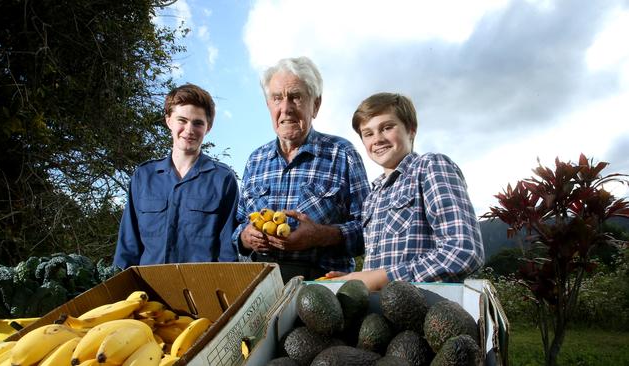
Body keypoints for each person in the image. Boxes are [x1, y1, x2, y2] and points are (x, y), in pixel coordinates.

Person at [326, 92, 484, 290]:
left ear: (411, 129)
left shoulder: (430, 167)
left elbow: (463, 251)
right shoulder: (372, 198)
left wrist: (381, 278)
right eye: (368, 133)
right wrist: (357, 280)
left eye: (387, 127)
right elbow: (377, 273)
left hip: (429, 311)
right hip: (381, 313)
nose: (377, 139)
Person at [233, 56, 370, 282]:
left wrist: (320, 236)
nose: (285, 108)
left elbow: (370, 231)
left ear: (315, 105)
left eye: (295, 97)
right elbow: (238, 225)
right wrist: (245, 237)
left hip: (322, 285)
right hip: (261, 285)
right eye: (277, 98)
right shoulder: (255, 160)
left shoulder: (342, 153)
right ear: (268, 105)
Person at [114, 83, 239, 268]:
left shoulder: (223, 180)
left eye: (198, 123)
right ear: (169, 121)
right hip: (146, 293)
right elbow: (128, 247)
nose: (189, 130)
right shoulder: (143, 177)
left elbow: (227, 253)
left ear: (208, 127)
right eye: (182, 120)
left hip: (201, 291)